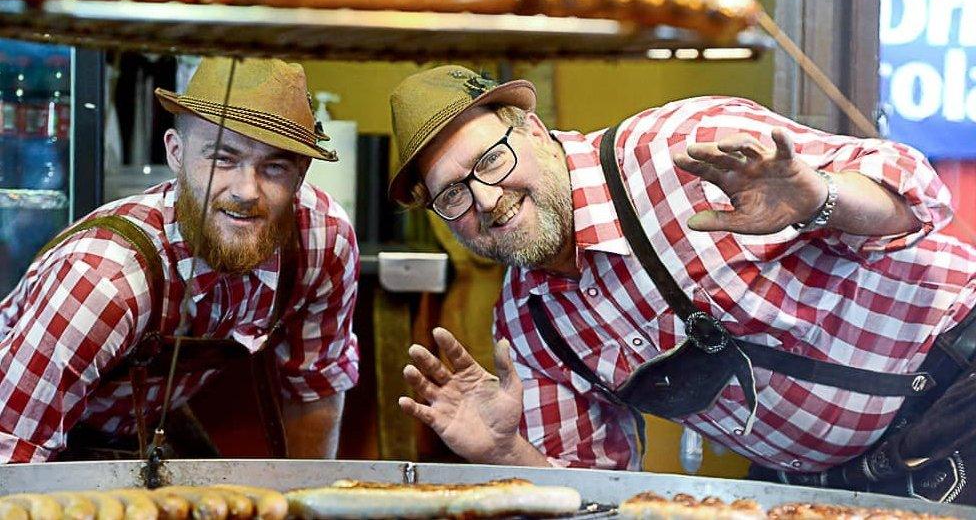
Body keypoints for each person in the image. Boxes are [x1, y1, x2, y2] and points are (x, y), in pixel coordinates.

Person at [389, 64, 976, 504]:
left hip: (958, 380)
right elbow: (592, 498)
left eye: (490, 161)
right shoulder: (532, 329)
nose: (486, 201)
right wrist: (501, 451)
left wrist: (820, 198)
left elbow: (919, 199)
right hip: (826, 479)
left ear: (535, 131)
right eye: (453, 194)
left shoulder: (681, 149)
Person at [0, 57, 359, 462]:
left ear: (302, 171)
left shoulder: (321, 242)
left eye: (274, 166)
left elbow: (315, 388)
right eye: (223, 158)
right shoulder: (105, 280)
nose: (246, 191)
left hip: (146, 427)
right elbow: (10, 454)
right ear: (175, 152)